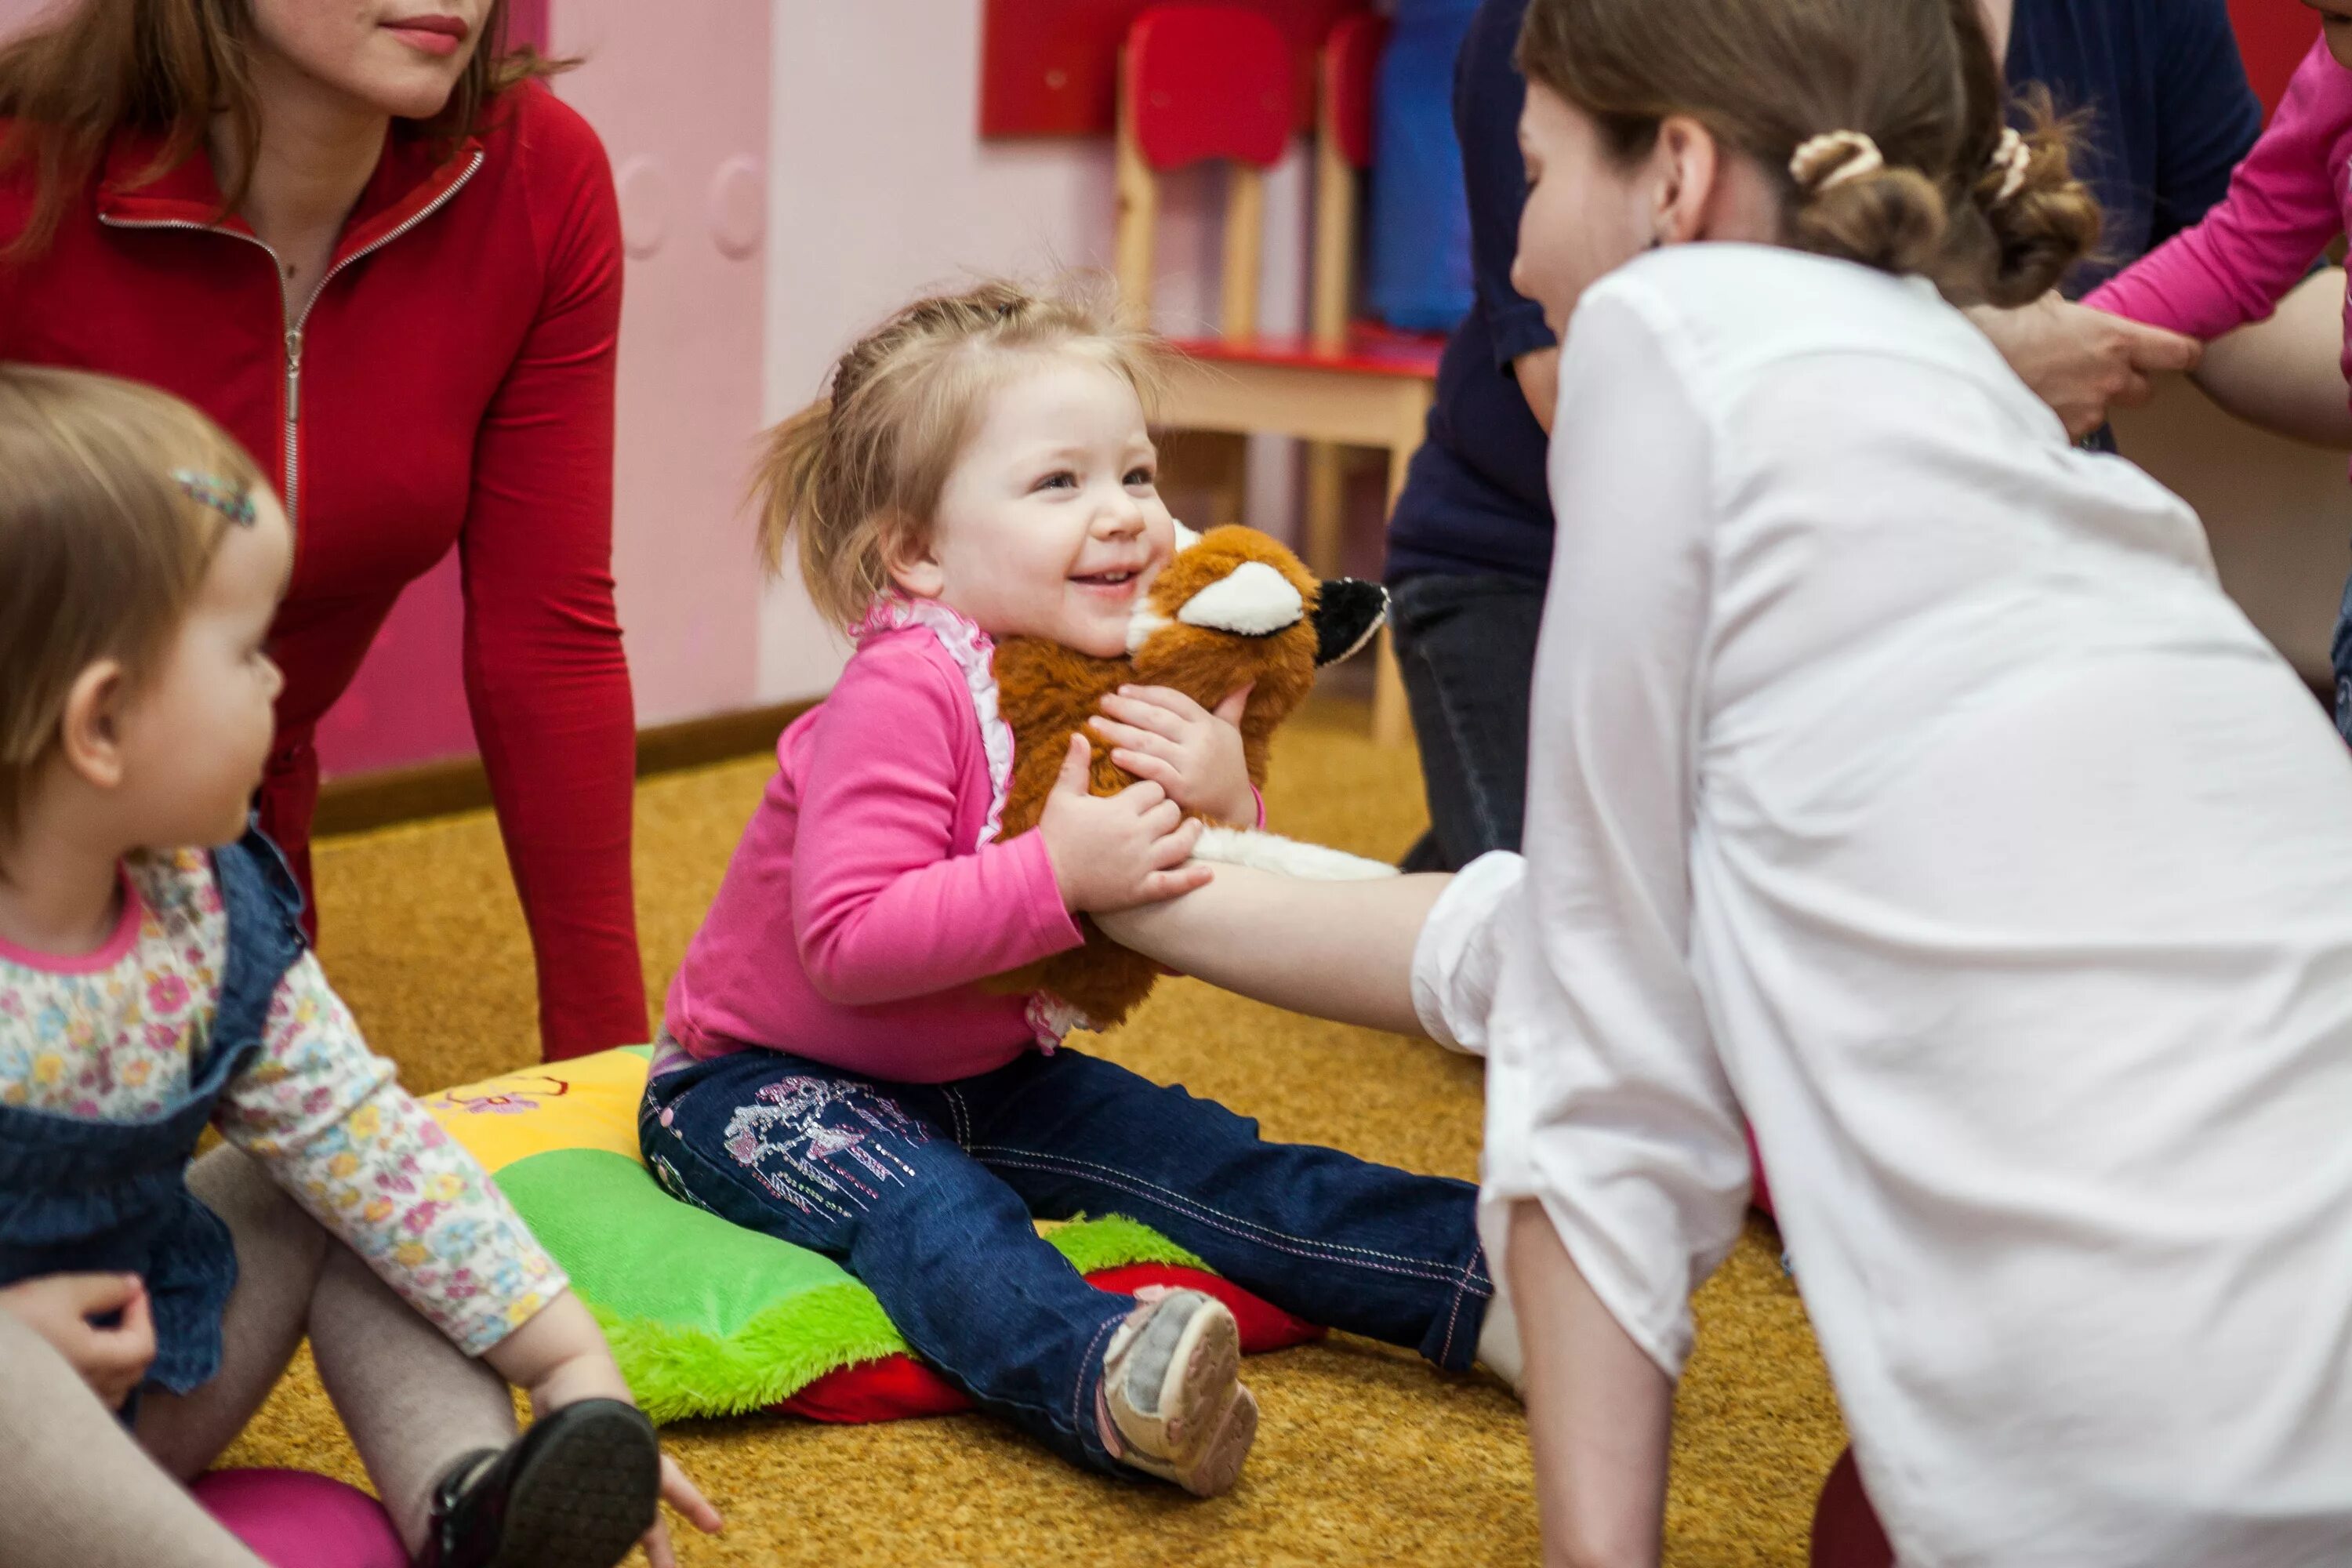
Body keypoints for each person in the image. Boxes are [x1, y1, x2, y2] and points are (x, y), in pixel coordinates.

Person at [1100, 0, 2352, 1558]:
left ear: (1677, 181)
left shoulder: (1668, 336)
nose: (1519, 261)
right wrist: (1147, 883)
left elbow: (1597, 1071)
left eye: (1539, 172)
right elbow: (1548, 946)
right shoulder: (2071, 494)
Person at [640, 279, 1513, 1499]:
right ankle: (1107, 1378)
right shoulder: (905, 689)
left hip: (986, 1072)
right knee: (931, 1218)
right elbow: (845, 939)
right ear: (918, 552)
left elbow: (1198, 876)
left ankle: (1484, 1275)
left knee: (1199, 1153)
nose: (1127, 519)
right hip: (758, 1088)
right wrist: (1053, 874)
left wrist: (1224, 799)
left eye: (1139, 477)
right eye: (1061, 484)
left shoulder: (1093, 663)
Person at [0, 365, 720, 1568]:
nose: (281, 684)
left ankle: (471, 1507)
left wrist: (573, 1368)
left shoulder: (208, 911)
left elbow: (369, 1147)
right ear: (103, 723)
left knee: (336, 1194)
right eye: (245, 654)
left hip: (145, 1388)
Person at [1385, 0, 2343, 877]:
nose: (1511, 259)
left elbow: (2247, 272)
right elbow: (1616, 417)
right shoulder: (1573, 29)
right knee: (1617, 941)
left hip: (1917, 579)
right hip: (1535, 563)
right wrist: (1982, 360)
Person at [0, 0, 645, 1062]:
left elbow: (550, 646)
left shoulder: (538, 174)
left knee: (280, 1179)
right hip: (31, 815)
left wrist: (611, 1065)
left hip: (236, 822)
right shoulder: (25, 170)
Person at [2084, 13, 2352, 741]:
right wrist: (2077, 335)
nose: (2341, 50)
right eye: (2331, 25)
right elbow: (2238, 245)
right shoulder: (2335, 80)